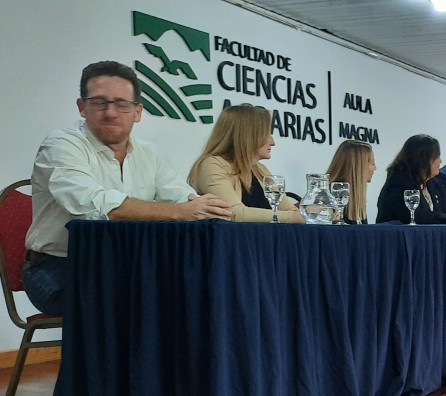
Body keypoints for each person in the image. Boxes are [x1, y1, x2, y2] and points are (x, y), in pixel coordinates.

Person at [24, 60, 231, 315]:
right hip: (59, 267)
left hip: (127, 263)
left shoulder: (150, 153)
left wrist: (200, 205)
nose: (110, 113)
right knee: (144, 298)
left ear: (138, 112)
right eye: (99, 102)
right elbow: (93, 206)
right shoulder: (60, 145)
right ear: (82, 107)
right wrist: (181, 211)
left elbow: (177, 193)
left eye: (122, 104)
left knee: (204, 285)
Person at [188, 104, 303, 224]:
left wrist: (313, 213)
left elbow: (290, 211)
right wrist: (298, 217)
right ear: (248, 136)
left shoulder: (261, 170)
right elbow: (233, 213)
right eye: (267, 134)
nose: (272, 142)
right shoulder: (212, 165)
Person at [374, 134, 446, 225]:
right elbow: (415, 216)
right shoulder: (399, 183)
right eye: (437, 157)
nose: (440, 161)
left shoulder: (434, 182)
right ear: (423, 159)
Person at [327, 140, 376, 224]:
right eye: (372, 163)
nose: (375, 168)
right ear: (360, 166)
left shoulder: (356, 195)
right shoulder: (335, 194)